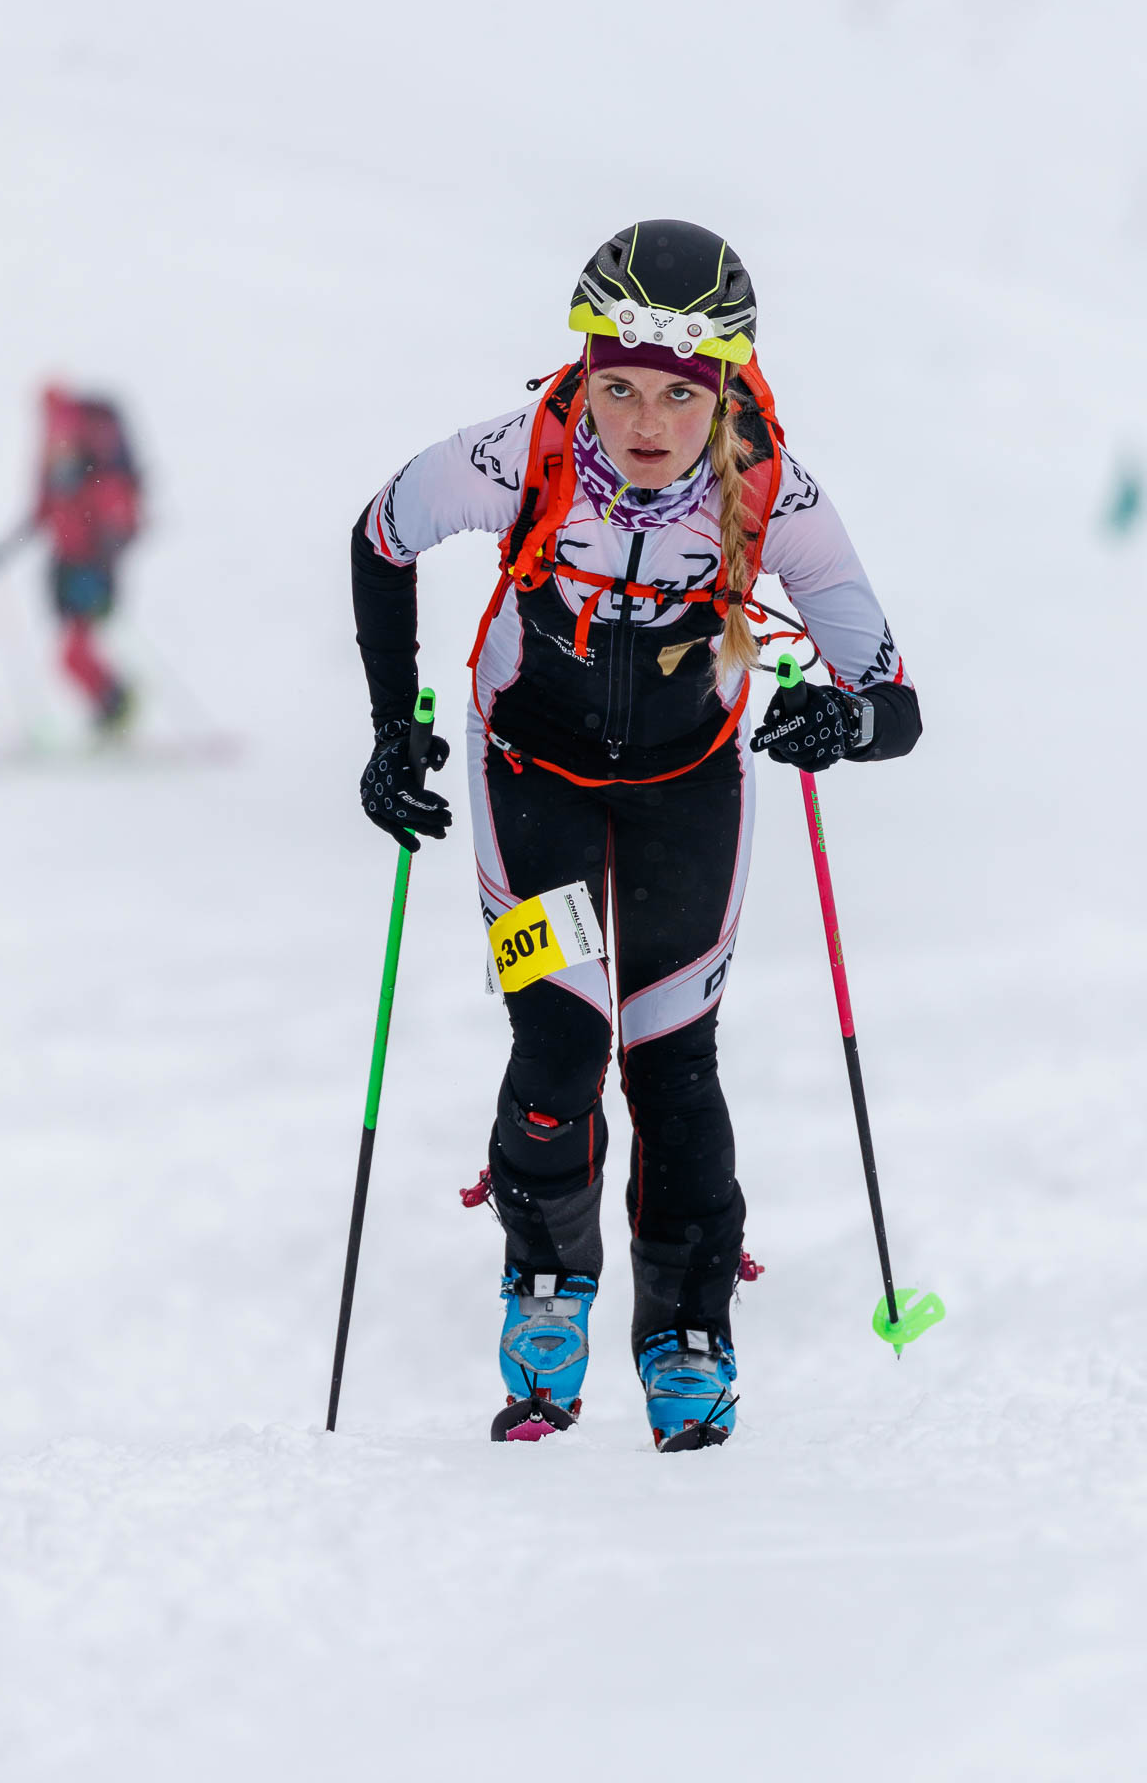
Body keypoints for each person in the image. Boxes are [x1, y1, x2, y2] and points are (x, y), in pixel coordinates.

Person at [351, 220, 921, 1451]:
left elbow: (894, 703)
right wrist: (392, 727)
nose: (644, 421)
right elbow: (381, 534)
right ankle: (544, 1287)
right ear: (582, 377)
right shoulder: (521, 451)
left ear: (724, 391)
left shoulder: (773, 492)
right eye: (615, 386)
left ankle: (685, 1329)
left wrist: (840, 718)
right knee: (556, 1042)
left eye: (675, 394)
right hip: (530, 778)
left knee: (672, 1068)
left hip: (686, 793)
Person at [0, 385, 142, 731]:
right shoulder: (56, 484)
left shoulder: (98, 480)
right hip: (66, 572)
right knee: (71, 655)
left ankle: (118, 707)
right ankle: (114, 709)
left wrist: (103, 560)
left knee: (72, 654)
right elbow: (37, 521)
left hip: (91, 573)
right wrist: (2, 553)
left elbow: (118, 521)